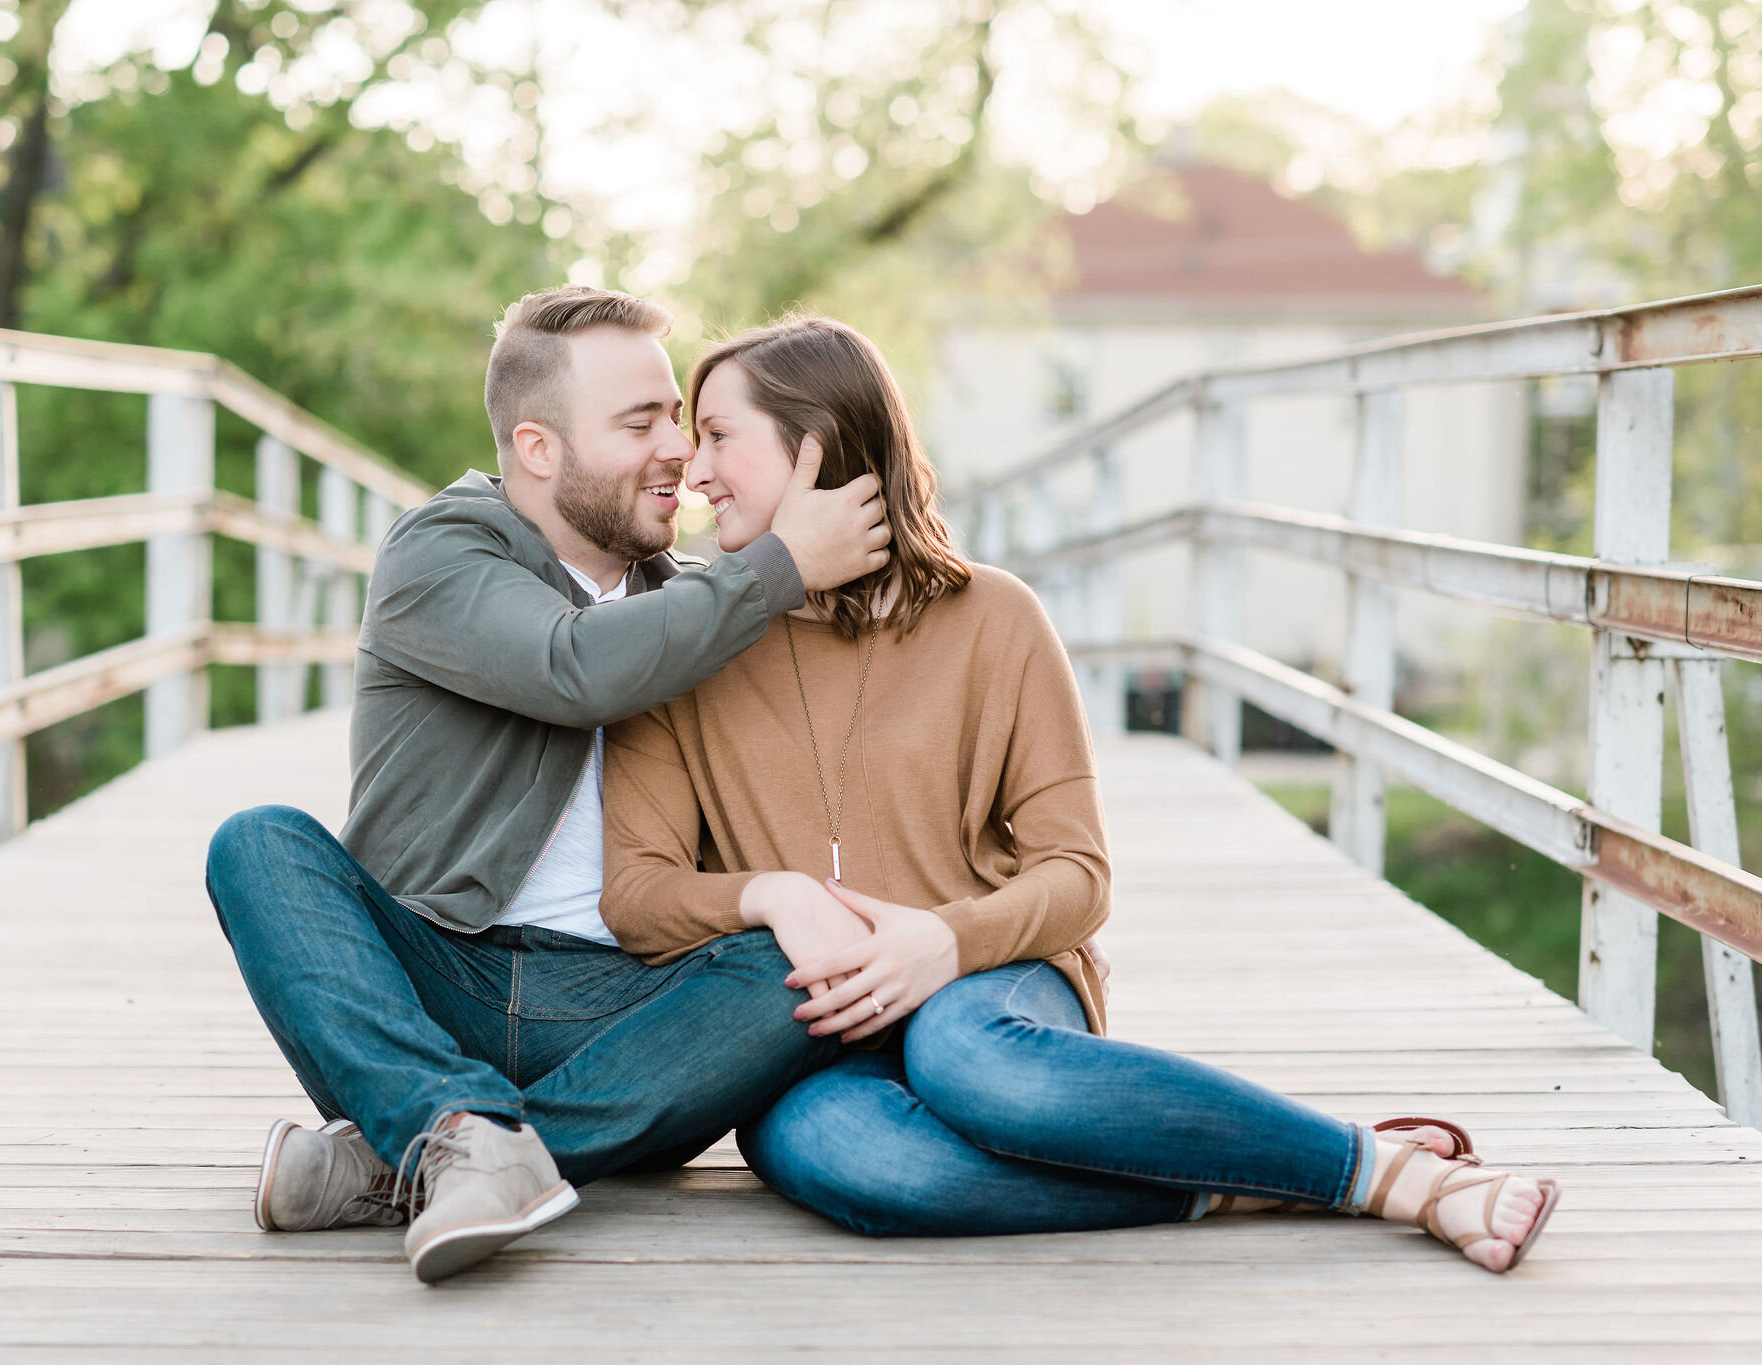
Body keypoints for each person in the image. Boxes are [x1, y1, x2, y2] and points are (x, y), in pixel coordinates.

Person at [599, 314, 1560, 1273]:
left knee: (966, 1059)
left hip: (992, 982)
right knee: (843, 1157)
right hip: (814, 1034)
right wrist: (769, 894)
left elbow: (1079, 873)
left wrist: (946, 939)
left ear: (811, 450)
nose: (694, 469)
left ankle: (1393, 1174)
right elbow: (636, 896)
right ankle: (1233, 1172)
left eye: (719, 435)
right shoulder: (684, 641)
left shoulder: (994, 617)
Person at [204, 286, 892, 1284]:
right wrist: (781, 565)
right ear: (537, 448)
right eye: (640, 422)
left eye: (679, 420)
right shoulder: (437, 551)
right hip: (434, 977)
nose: (678, 453)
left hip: (625, 1011)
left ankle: (427, 1155)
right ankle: (448, 1121)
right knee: (256, 842)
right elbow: (574, 669)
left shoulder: (694, 600)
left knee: (791, 963)